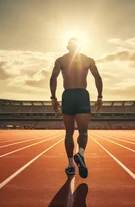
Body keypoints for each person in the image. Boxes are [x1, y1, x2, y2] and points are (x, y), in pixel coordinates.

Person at [49, 38, 103, 179]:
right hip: (81, 94)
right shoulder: (88, 60)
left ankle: (71, 165)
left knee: (69, 133)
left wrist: (53, 98)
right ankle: (80, 153)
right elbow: (97, 77)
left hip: (68, 94)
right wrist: (100, 97)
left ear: (67, 47)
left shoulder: (61, 60)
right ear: (80, 47)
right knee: (83, 131)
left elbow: (53, 77)